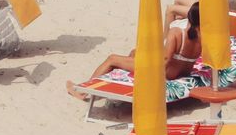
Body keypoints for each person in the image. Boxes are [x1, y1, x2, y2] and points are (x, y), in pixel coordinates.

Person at [70, 5, 202, 96]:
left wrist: (158, 80)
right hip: (183, 72)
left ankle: (82, 92)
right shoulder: (204, 36)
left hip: (167, 73)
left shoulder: (177, 33)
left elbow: (166, 59)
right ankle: (118, 81)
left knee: (112, 58)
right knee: (135, 53)